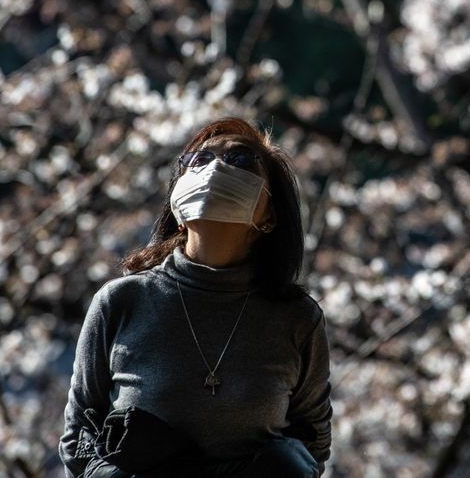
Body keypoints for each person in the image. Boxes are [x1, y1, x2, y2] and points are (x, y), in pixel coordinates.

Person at [59, 117, 332, 477]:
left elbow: (312, 444)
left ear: (269, 215)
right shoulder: (121, 301)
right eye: (197, 161)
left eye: (240, 160)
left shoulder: (297, 318)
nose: (214, 167)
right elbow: (78, 437)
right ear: (178, 206)